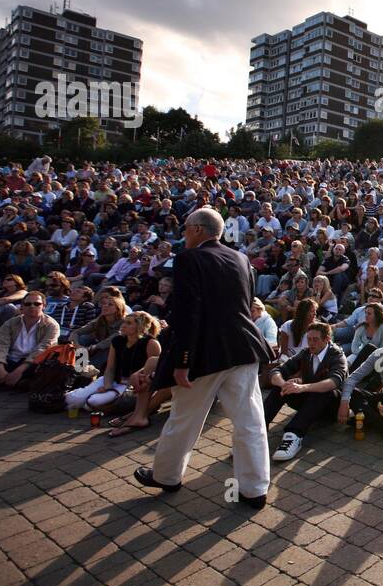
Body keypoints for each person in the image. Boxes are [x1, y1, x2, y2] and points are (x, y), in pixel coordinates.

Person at [136, 208, 273, 510]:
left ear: (198, 229)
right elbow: (246, 304)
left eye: (185, 228)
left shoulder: (188, 259)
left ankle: (167, 476)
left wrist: (183, 360)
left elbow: (188, 312)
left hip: (206, 353)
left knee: (184, 418)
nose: (183, 234)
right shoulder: (240, 258)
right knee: (249, 422)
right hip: (243, 347)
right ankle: (254, 489)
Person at [263, 322, 348, 462]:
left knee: (323, 391)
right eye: (309, 339)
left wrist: (303, 387)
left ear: (327, 339)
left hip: (331, 407)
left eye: (315, 339)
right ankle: (258, 430)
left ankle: (293, 435)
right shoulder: (305, 353)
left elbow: (334, 382)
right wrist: (284, 384)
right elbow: (276, 371)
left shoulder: (337, 356)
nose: (311, 343)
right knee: (282, 386)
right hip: (310, 402)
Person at [65, 311, 162, 415]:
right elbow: (110, 367)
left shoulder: (151, 343)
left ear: (140, 327)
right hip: (114, 379)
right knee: (72, 399)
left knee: (94, 400)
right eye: (124, 322)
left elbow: (153, 369)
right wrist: (107, 385)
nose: (123, 325)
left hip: (132, 384)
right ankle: (94, 405)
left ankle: (96, 405)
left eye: (129, 323)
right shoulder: (117, 341)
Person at [0, 290, 60, 389]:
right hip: (8, 361)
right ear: (22, 306)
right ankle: (16, 383)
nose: (32, 306)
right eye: (28, 304)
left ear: (44, 306)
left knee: (49, 367)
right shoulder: (11, 323)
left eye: (37, 304)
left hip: (30, 364)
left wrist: (20, 370)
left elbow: (43, 349)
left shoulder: (51, 325)